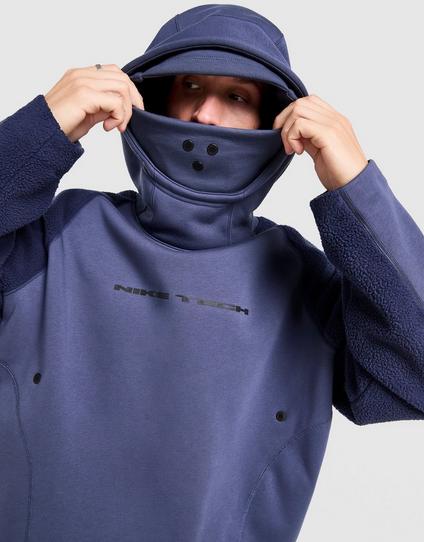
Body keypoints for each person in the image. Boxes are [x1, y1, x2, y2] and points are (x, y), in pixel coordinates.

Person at [1, 4, 423, 542]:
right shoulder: (53, 236)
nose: (205, 116)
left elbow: (416, 373)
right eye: (192, 86)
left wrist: (357, 187)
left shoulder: (304, 284)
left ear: (273, 121)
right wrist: (42, 128)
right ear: (154, 96)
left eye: (237, 97)